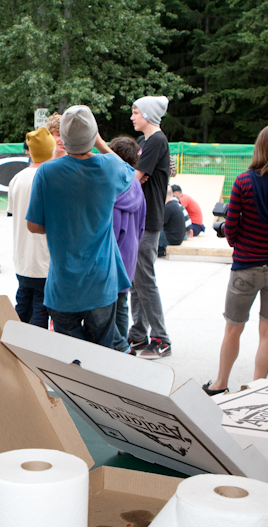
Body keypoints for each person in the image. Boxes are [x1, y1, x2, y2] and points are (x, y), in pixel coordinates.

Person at [203, 125, 268, 395]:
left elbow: (232, 226)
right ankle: (255, 389)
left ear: (258, 147)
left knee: (233, 329)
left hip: (245, 267)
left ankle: (220, 384)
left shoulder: (243, 182)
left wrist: (234, 241)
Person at [27, 105, 134, 348]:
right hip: (100, 283)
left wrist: (58, 225)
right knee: (102, 358)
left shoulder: (47, 172)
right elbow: (130, 172)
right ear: (93, 135)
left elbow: (33, 226)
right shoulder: (109, 166)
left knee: (71, 359)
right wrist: (101, 143)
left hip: (62, 287)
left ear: (62, 138)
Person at [128, 96, 173, 358]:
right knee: (137, 280)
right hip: (140, 217)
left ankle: (161, 338)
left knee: (145, 280)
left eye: (136, 112)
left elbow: (136, 178)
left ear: (147, 114)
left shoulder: (156, 139)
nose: (132, 117)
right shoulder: (146, 141)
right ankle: (137, 334)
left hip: (148, 218)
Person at [7, 127, 54, 328]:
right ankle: (33, 353)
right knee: (40, 311)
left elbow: (12, 213)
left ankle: (13, 348)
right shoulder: (49, 178)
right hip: (43, 259)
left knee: (22, 307)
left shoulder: (17, 178)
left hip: (22, 258)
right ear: (50, 151)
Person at [108, 136, 146, 353]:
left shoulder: (113, 186)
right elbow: (142, 221)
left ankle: (120, 347)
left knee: (103, 307)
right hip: (130, 250)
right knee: (121, 302)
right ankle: (121, 348)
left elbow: (110, 226)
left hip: (113, 251)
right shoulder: (136, 185)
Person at [158, 186, 190, 257]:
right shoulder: (175, 205)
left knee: (153, 230)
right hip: (178, 238)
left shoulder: (168, 207)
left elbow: (159, 224)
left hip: (171, 239)